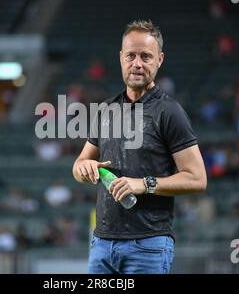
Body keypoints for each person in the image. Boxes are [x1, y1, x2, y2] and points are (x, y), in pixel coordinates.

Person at [72, 20, 207, 274]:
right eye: (131, 55)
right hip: (101, 244)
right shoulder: (106, 111)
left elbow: (198, 178)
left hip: (148, 246)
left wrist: (144, 184)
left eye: (146, 56)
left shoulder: (170, 112)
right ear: (121, 58)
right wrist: (85, 167)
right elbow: (78, 167)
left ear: (160, 60)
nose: (137, 63)